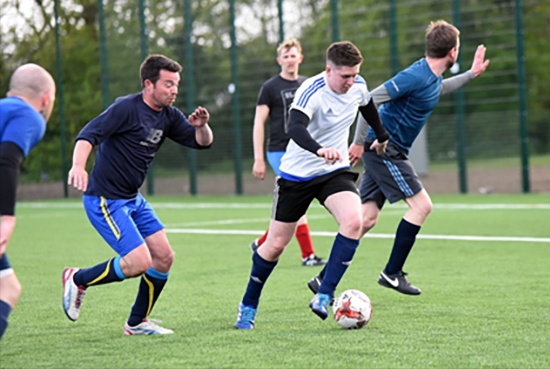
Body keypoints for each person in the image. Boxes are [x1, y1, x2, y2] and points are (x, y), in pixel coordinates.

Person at [308, 20, 490, 296]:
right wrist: (358, 142)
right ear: (453, 52)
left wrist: (471, 74)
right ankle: (392, 273)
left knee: (366, 219)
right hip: (384, 149)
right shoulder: (416, 75)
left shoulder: (431, 77)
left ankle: (324, 279)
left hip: (387, 150)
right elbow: (369, 98)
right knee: (422, 207)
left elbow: (438, 89)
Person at [235, 41, 390, 330]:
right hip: (296, 174)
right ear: (329, 70)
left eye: (355, 74)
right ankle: (248, 305)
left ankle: (324, 294)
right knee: (275, 245)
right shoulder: (312, 90)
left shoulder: (357, 85)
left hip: (334, 170)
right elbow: (293, 128)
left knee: (354, 221)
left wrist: (381, 135)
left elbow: (367, 105)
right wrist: (319, 149)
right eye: (345, 76)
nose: (351, 81)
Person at [62, 54, 213, 335]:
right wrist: (78, 166)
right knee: (138, 262)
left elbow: (201, 143)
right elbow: (88, 135)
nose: (174, 90)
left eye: (176, 84)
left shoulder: (169, 115)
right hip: (105, 199)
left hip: (133, 198)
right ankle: (77, 279)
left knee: (164, 257)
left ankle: (137, 322)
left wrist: (201, 126)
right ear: (148, 84)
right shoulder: (126, 108)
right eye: (168, 84)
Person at [251, 38, 326, 267]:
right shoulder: (270, 88)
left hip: (303, 150)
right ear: (279, 60)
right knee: (297, 199)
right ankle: (308, 255)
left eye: (293, 56)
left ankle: (262, 242)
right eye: (286, 56)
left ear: (300, 58)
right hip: (279, 152)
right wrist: (258, 158)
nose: (290, 60)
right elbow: (258, 122)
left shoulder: (307, 85)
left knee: (295, 203)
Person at [0, 64, 56, 341]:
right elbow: (8, 157)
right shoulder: (30, 116)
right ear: (46, 98)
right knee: (6, 290)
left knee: (8, 286)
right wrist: (6, 218)